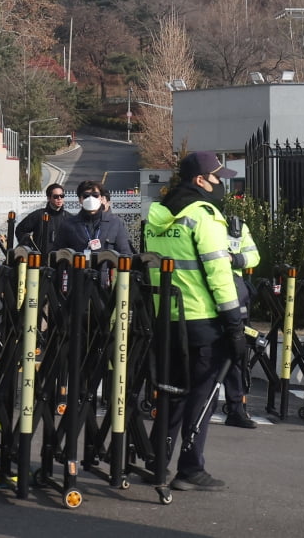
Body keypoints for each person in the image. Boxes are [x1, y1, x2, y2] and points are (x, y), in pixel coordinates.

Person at [144, 151, 245, 491]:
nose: (222, 184)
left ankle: (157, 461)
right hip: (201, 320)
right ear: (200, 180)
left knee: (171, 395)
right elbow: (219, 275)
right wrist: (234, 324)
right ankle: (190, 468)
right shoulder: (204, 215)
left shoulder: (157, 214)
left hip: (166, 320)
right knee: (201, 397)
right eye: (218, 178)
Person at [222, 213, 260, 428]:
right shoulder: (197, 222)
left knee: (236, 356)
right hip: (201, 297)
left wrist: (234, 259)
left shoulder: (235, 226)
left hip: (234, 295)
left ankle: (236, 409)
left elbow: (254, 256)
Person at [53, 180, 133, 255]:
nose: (91, 199)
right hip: (80, 269)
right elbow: (59, 255)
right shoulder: (68, 225)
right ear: (80, 200)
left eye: (95, 195)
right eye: (86, 196)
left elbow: (125, 254)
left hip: (105, 269)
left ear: (101, 198)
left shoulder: (115, 223)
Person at [14, 182, 70, 255]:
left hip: (62, 260)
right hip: (40, 260)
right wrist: (30, 248)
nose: (59, 198)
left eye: (62, 196)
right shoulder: (38, 215)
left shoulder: (69, 218)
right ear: (49, 198)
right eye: (56, 196)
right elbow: (20, 230)